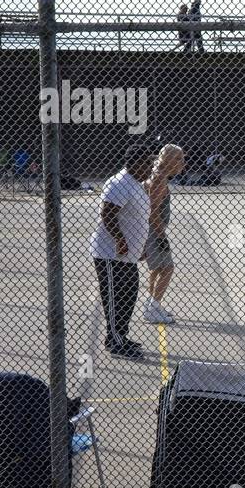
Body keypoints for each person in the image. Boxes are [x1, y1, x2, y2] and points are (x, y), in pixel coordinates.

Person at [89, 142, 155, 358]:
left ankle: (121, 336)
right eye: (147, 163)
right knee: (114, 297)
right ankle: (114, 341)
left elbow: (139, 218)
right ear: (135, 163)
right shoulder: (119, 183)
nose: (151, 167)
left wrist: (141, 245)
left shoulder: (137, 183)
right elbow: (107, 214)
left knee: (129, 295)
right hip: (110, 254)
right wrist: (119, 238)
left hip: (128, 255)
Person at [142, 144, 186, 324]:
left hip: (152, 229)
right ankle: (153, 307)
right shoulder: (160, 179)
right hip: (154, 230)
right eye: (178, 159)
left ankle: (152, 305)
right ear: (166, 160)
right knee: (168, 269)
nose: (182, 163)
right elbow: (152, 211)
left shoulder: (157, 174)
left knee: (156, 268)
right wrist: (161, 236)